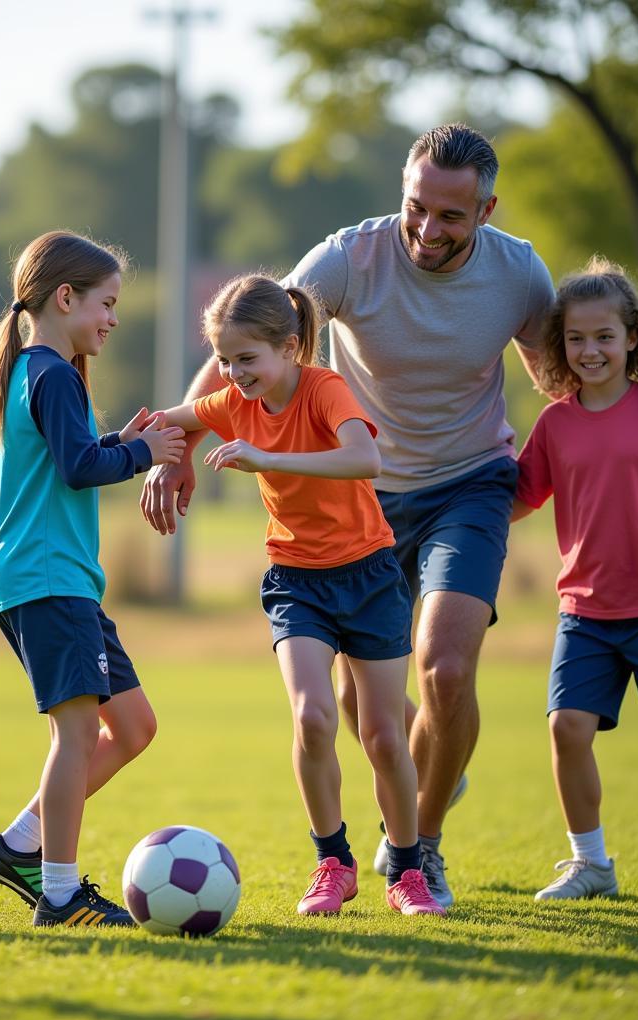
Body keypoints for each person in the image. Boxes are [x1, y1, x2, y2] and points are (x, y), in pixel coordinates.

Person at [140, 124, 638, 908]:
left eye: (451, 217)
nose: (426, 230)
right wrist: (177, 446)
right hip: (362, 500)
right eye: (416, 206)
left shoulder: (518, 273)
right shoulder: (347, 258)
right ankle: (429, 783)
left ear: (486, 210)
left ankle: (418, 850)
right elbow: (242, 343)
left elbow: (569, 367)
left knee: (447, 666)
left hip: (472, 482)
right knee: (363, 702)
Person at [157, 273, 445, 916]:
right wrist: (153, 457)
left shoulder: (325, 389)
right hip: (295, 582)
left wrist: (267, 460)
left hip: (369, 576)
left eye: (246, 358)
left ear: (289, 348)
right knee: (313, 717)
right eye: (224, 360)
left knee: (382, 737)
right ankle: (333, 864)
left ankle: (407, 869)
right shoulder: (234, 400)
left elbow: (364, 459)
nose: (232, 373)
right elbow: (168, 421)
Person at [0, 231, 185, 928]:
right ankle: (58, 894)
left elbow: (77, 454)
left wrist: (123, 441)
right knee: (79, 735)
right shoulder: (51, 371)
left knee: (135, 725)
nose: (113, 319)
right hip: (46, 578)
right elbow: (77, 468)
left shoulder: (38, 371)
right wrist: (141, 452)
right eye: (106, 304)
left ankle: (19, 844)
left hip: (60, 581)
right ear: (65, 298)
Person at [512, 257, 638, 900]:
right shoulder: (554, 422)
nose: (590, 350)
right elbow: (520, 497)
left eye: (604, 336)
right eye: (575, 338)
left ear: (632, 337)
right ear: (560, 345)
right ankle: (592, 865)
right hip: (586, 611)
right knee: (566, 728)